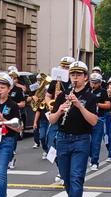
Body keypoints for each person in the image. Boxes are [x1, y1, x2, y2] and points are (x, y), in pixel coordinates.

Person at [49, 61, 98, 197]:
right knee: (67, 178)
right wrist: (59, 110)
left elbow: (93, 121)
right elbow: (52, 120)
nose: (75, 78)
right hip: (62, 138)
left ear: (85, 77)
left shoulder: (90, 97)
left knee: (76, 178)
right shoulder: (63, 95)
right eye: (73, 75)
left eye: (78, 75)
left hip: (81, 140)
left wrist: (78, 105)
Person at [45, 56, 75, 184]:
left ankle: (64, 172)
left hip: (70, 118)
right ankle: (62, 168)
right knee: (49, 143)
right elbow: (47, 96)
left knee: (65, 146)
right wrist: (51, 104)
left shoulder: (74, 81)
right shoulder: (55, 81)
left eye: (67, 67)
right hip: (56, 116)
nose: (65, 69)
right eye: (63, 66)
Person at [89, 72, 111, 170]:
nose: (93, 85)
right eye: (92, 82)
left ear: (100, 83)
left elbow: (108, 105)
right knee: (86, 141)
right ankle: (90, 157)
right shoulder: (88, 91)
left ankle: (95, 162)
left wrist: (97, 104)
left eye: (96, 83)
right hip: (88, 118)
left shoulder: (103, 92)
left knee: (96, 142)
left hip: (99, 118)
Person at [7, 69, 26, 169]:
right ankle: (7, 158)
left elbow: (23, 103)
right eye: (10, 77)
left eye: (14, 78)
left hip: (14, 116)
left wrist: (13, 105)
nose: (12, 80)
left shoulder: (18, 90)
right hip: (4, 117)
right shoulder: (5, 89)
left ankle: (11, 158)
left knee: (12, 139)